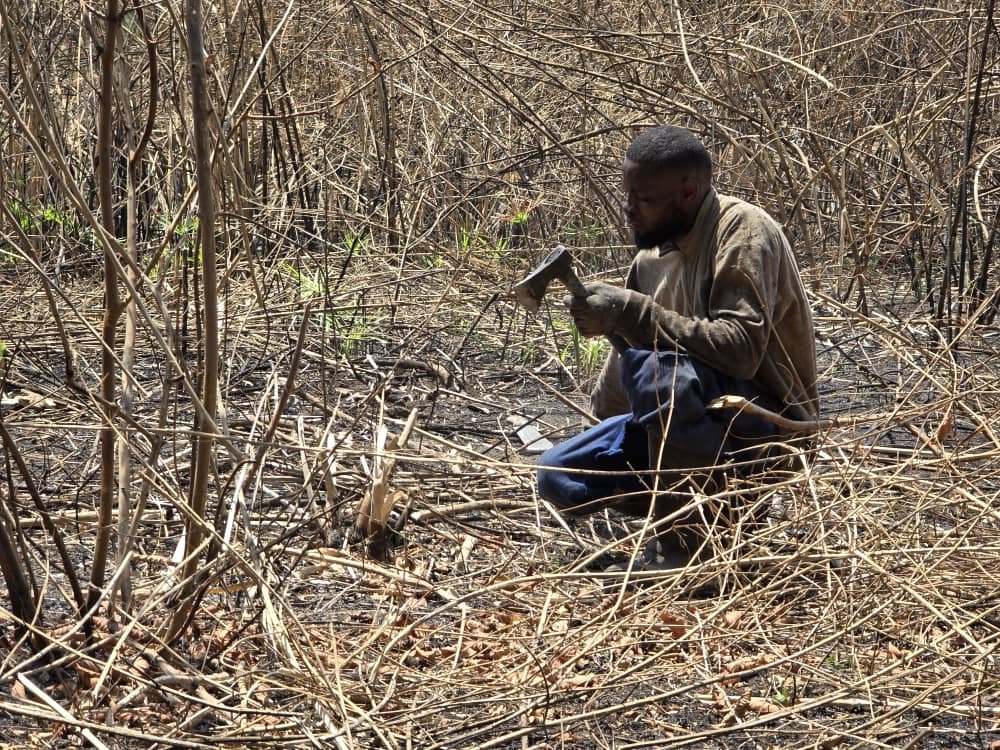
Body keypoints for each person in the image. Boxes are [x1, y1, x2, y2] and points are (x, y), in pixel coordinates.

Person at [536, 125, 819, 569]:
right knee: (560, 475)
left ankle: (686, 551)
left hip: (765, 426)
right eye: (627, 195)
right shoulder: (650, 260)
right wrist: (612, 430)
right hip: (681, 420)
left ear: (688, 192)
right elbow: (627, 360)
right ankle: (712, 512)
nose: (629, 210)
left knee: (660, 373)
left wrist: (633, 312)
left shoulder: (743, 231)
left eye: (644, 199)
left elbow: (741, 350)